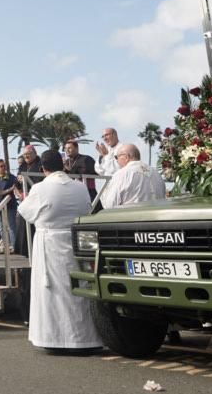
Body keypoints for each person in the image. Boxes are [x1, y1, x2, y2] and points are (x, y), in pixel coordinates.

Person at [17, 150, 102, 352]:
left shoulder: (39, 188)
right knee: (78, 290)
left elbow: (25, 212)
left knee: (54, 292)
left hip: (50, 242)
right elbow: (87, 209)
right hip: (77, 242)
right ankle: (84, 338)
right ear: (63, 165)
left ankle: (55, 339)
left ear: (42, 168)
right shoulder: (80, 187)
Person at [98, 144, 168, 210]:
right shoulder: (156, 173)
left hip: (132, 219)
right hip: (157, 218)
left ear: (126, 157)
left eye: (117, 157)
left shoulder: (122, 174)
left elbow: (110, 205)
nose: (117, 161)